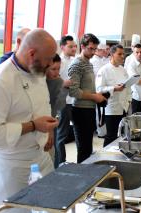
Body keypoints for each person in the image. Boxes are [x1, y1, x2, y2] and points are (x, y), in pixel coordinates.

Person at [0, 29, 59, 212]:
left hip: (40, 158)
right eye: (48, 59)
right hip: (13, 166)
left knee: (51, 207)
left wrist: (48, 130)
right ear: (31, 54)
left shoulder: (37, 70)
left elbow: (43, 103)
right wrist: (34, 126)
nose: (51, 64)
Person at [68, 33, 107, 163]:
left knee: (88, 148)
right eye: (90, 48)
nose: (93, 52)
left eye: (95, 49)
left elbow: (87, 87)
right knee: (83, 149)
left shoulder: (88, 64)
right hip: (80, 110)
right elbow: (73, 91)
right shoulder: (76, 64)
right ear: (82, 46)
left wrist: (98, 95)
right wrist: (94, 97)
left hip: (89, 109)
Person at [96, 44, 131, 147]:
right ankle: (105, 157)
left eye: (123, 54)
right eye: (119, 54)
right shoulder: (104, 70)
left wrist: (129, 100)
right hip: (111, 108)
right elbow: (99, 89)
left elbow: (128, 86)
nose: (122, 56)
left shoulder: (123, 69)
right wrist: (114, 88)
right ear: (111, 55)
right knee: (111, 136)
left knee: (121, 134)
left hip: (123, 107)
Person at [54, 35, 77, 168]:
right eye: (70, 46)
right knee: (61, 136)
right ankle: (60, 164)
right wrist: (64, 83)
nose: (74, 48)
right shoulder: (59, 62)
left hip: (75, 100)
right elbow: (52, 80)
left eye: (74, 46)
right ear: (62, 47)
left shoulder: (74, 61)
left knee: (75, 132)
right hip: (63, 101)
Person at [90, 42, 109, 138]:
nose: (104, 51)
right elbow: (100, 74)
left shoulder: (101, 60)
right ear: (97, 51)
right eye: (102, 50)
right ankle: (101, 132)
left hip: (104, 89)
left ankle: (104, 130)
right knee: (100, 113)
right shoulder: (94, 61)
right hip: (98, 90)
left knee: (103, 112)